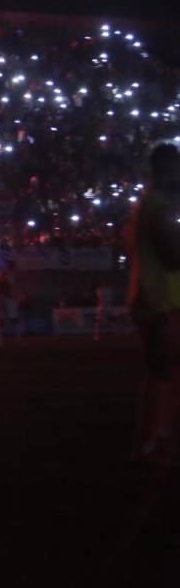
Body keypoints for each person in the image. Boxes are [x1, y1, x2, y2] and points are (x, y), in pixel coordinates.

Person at [126, 143, 180, 466]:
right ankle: (152, 440)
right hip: (161, 300)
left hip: (155, 297)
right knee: (163, 370)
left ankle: (156, 436)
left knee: (163, 370)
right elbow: (172, 256)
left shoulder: (148, 206)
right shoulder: (157, 207)